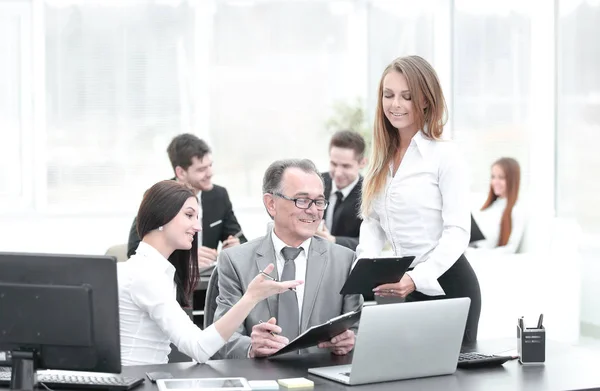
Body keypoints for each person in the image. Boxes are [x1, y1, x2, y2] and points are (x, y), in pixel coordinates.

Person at [356, 55, 481, 344]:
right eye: (388, 95)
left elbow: (458, 232)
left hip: (450, 286)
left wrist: (416, 278)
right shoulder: (380, 158)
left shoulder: (445, 156)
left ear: (425, 100)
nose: (395, 104)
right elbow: (372, 222)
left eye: (406, 96)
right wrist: (365, 265)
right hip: (407, 286)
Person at [118, 180, 302, 366]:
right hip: (137, 380)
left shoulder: (153, 271)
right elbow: (199, 348)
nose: (198, 227)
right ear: (161, 216)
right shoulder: (146, 275)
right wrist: (251, 298)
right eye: (189, 215)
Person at [213, 159, 363, 359]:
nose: (312, 210)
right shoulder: (235, 261)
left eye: (319, 201)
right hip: (261, 380)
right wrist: (250, 347)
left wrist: (351, 338)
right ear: (271, 203)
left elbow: (358, 328)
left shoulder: (345, 260)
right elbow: (221, 339)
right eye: (302, 200)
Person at [127, 133, 247, 268]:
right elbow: (135, 250)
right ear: (181, 172)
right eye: (201, 169)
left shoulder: (219, 195)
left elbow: (240, 239)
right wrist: (187, 259)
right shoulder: (159, 196)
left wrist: (236, 247)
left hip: (208, 283)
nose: (210, 173)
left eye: (210, 165)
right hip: (173, 280)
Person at [315, 130, 366, 251]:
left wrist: (333, 241)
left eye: (346, 166)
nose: (338, 173)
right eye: (333, 164)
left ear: (362, 163)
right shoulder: (316, 182)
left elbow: (372, 242)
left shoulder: (369, 194)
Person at [471, 157, 525, 253]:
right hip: (468, 249)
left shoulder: (517, 210)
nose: (495, 182)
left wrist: (478, 253)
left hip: (480, 256)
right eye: (493, 177)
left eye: (501, 177)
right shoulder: (489, 206)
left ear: (512, 180)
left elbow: (510, 249)